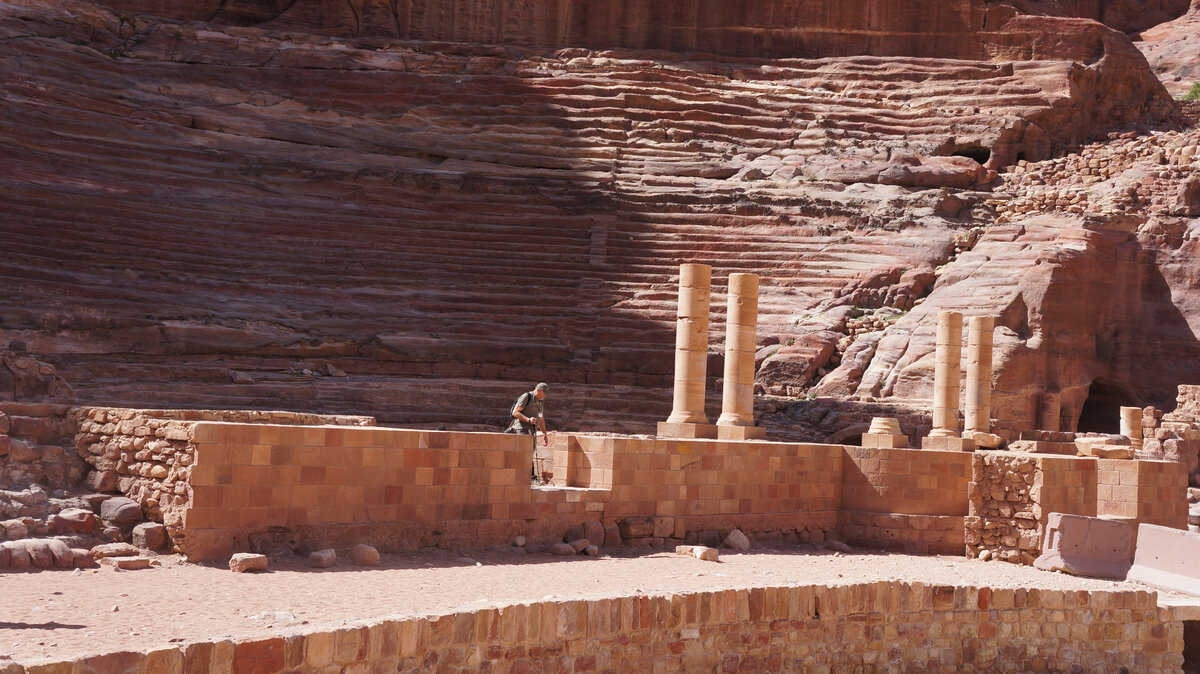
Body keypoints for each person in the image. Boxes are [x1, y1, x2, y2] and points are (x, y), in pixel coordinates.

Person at [505, 382, 549, 482]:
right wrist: (528, 419)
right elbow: (515, 412)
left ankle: (529, 478)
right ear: (538, 390)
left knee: (530, 453)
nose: (545, 395)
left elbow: (541, 419)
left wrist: (545, 434)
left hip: (532, 430)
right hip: (521, 428)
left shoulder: (540, 402)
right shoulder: (526, 397)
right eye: (544, 393)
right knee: (526, 452)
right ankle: (529, 477)